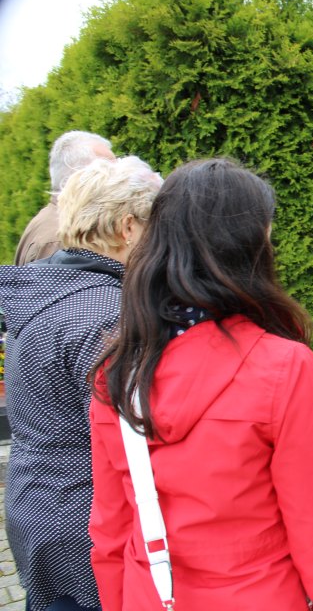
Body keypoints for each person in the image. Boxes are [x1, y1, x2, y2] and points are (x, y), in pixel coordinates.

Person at [88, 158, 313, 611]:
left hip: (150, 594)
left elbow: (110, 528)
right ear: (250, 247)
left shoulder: (119, 369)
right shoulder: (283, 367)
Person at [0, 157, 161, 611]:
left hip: (36, 499)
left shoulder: (47, 288)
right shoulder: (106, 314)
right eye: (155, 226)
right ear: (128, 227)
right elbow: (136, 434)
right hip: (82, 516)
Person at [14, 130, 116, 265]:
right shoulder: (59, 239)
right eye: (108, 170)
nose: (117, 178)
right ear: (79, 176)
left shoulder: (59, 223)